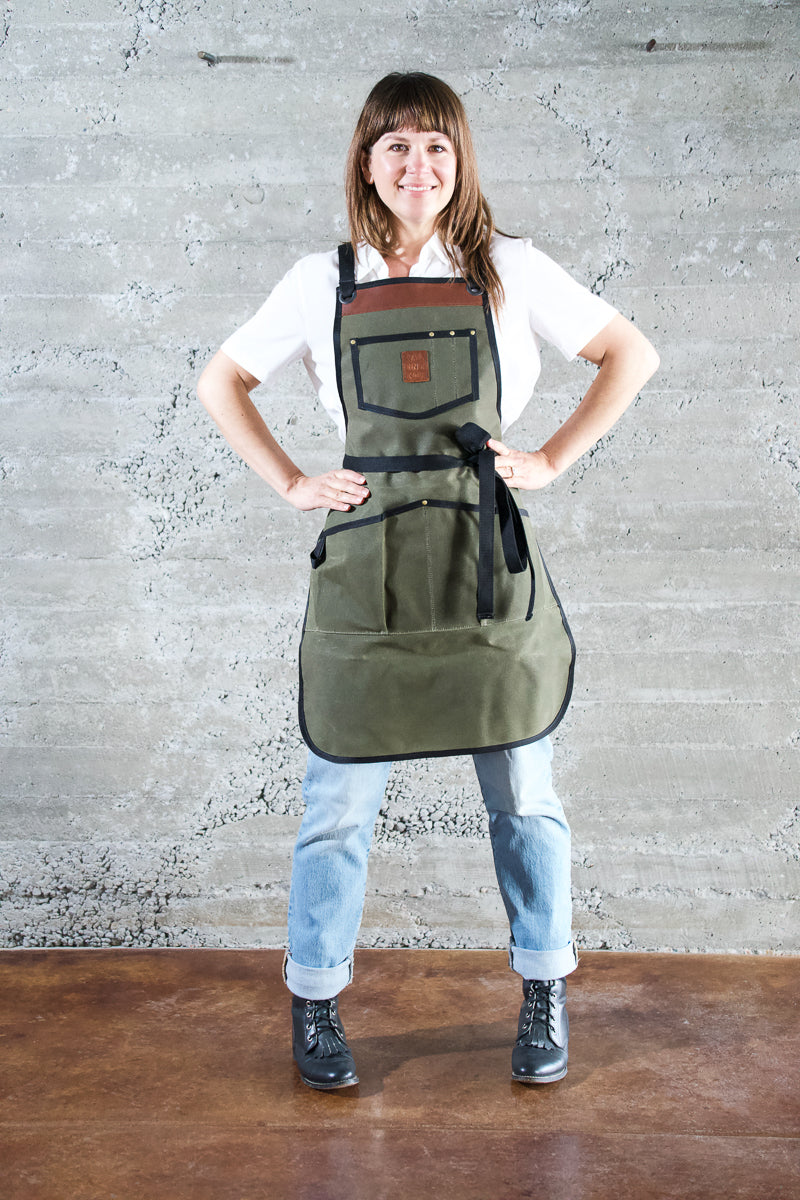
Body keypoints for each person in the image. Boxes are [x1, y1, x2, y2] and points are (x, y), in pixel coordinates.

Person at [197, 71, 659, 1091]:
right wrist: (287, 481)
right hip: (367, 570)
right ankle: (314, 1001)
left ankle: (542, 987)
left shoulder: (511, 270)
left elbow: (627, 352)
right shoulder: (322, 282)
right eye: (397, 144)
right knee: (335, 808)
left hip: (484, 565)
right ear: (367, 161)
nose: (419, 165)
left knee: (525, 802)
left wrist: (545, 461)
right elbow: (218, 381)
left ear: (461, 161)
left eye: (437, 146)